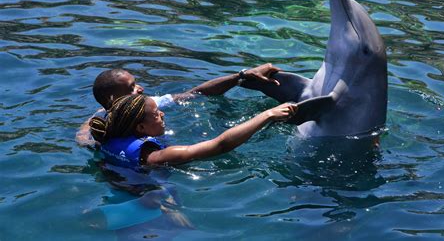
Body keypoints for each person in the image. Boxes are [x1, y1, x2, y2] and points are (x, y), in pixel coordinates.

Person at [76, 64, 282, 147]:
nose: (140, 89)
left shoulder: (149, 105)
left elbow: (197, 93)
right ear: (113, 100)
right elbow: (83, 138)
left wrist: (241, 76)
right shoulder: (102, 124)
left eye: (135, 83)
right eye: (131, 88)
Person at [89, 94, 297, 168]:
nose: (162, 114)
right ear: (141, 128)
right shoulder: (159, 157)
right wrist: (267, 114)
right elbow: (221, 145)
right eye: (156, 113)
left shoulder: (104, 139)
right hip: (148, 204)